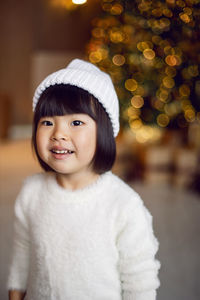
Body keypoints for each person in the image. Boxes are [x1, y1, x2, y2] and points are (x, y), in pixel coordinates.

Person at [7, 59, 160, 300]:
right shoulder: (31, 192)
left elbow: (140, 283)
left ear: (104, 133)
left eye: (76, 122)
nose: (59, 134)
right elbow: (23, 250)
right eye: (47, 122)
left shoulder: (124, 206)